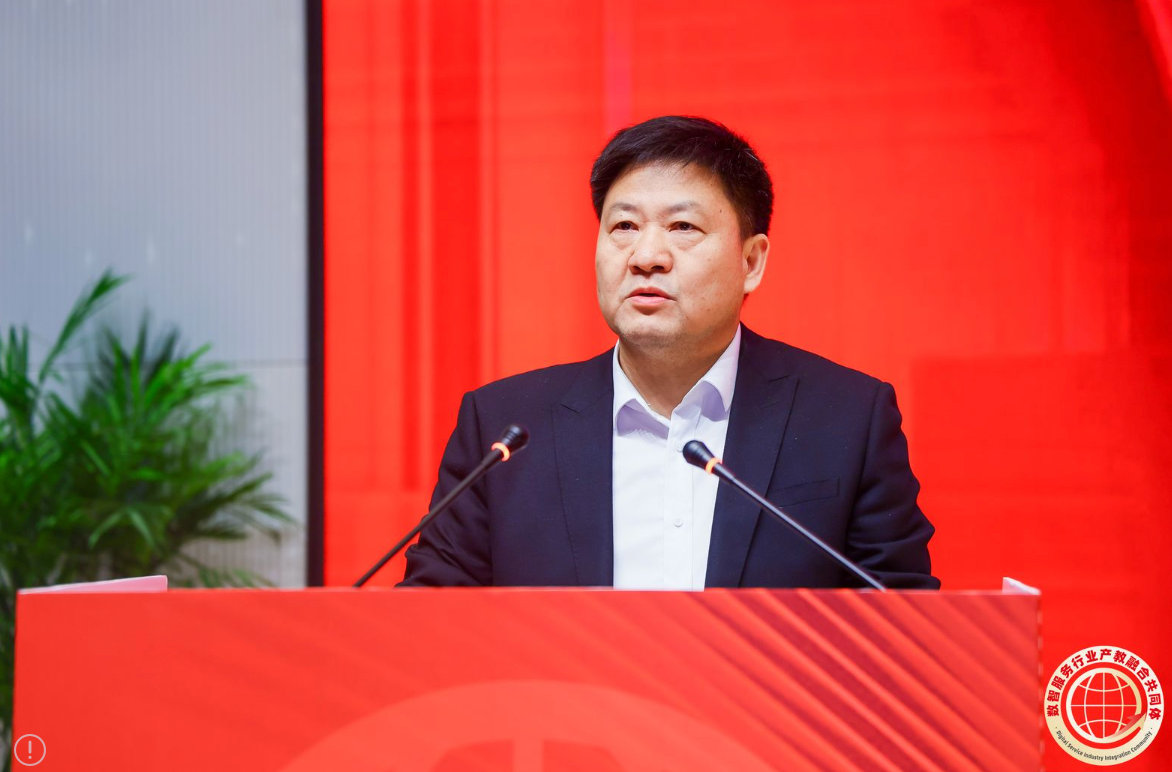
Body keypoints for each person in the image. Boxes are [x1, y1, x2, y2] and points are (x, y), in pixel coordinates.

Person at [400, 116, 938, 590]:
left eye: (683, 227)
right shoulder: (504, 430)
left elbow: (904, 627)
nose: (646, 256)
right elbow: (430, 623)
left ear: (751, 261)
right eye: (624, 226)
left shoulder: (846, 420)